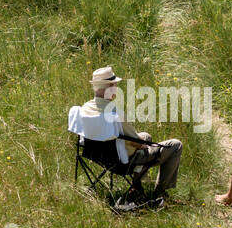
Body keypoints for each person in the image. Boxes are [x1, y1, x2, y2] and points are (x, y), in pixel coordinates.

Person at [78, 66, 183, 198]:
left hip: (98, 155)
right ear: (109, 86)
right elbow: (137, 142)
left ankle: (138, 186)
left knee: (146, 135)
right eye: (115, 85)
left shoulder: (85, 108)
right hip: (123, 162)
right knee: (175, 145)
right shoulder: (115, 113)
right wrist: (144, 146)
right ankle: (159, 193)